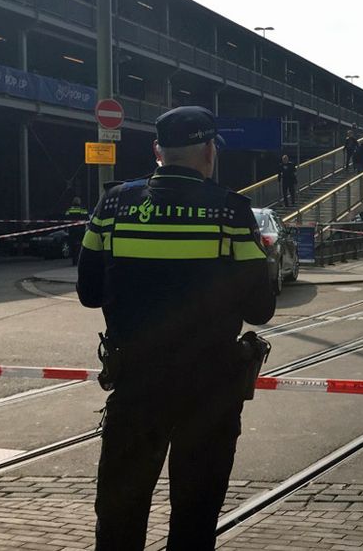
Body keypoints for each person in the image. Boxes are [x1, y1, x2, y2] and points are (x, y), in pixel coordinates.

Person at [77, 106, 275, 550]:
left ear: (157, 151)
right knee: (194, 518)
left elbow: (89, 292)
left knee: (120, 516)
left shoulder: (112, 205)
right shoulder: (230, 212)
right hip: (209, 390)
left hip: (136, 384)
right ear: (209, 152)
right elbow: (260, 309)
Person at [64, 197, 89, 266]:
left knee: (72, 246)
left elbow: (65, 219)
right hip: (80, 230)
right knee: (81, 245)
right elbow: (87, 219)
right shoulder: (82, 210)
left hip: (72, 230)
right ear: (79, 202)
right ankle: (80, 260)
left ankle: (74, 261)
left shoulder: (69, 210)